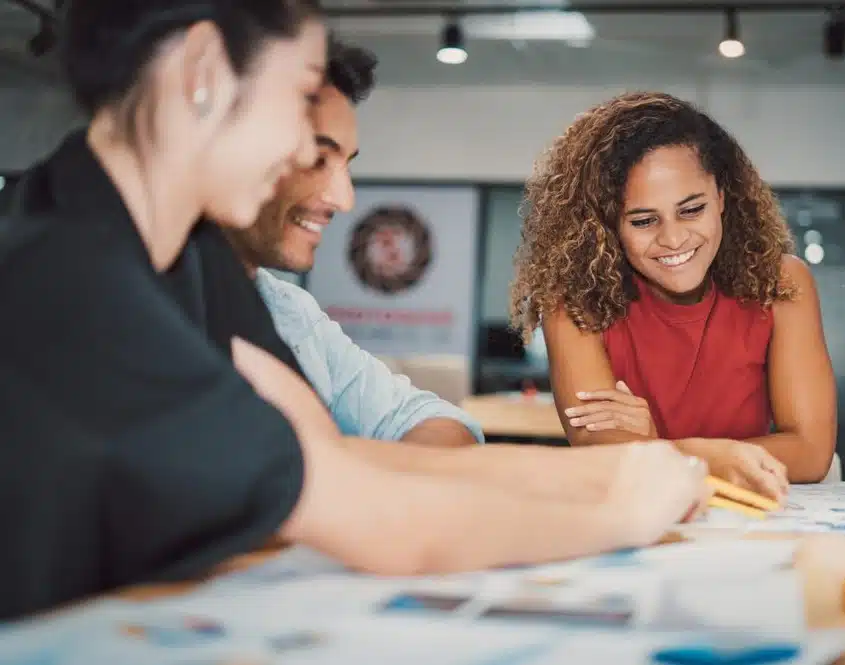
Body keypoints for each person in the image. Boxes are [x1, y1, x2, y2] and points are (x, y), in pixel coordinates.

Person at [0, 3, 709, 620]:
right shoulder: (67, 274)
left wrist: (617, 473)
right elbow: (373, 518)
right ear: (203, 72)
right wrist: (622, 512)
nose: (319, 172)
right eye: (300, 98)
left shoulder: (191, 253)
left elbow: (335, 457)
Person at [509, 92, 838, 498]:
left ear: (721, 196)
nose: (674, 238)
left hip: (751, 513)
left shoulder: (782, 283)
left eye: (691, 209)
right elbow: (601, 455)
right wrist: (714, 459)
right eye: (644, 220)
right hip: (639, 520)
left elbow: (810, 451)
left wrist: (658, 446)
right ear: (607, 225)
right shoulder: (573, 301)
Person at [222, 40, 482, 447]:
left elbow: (434, 419)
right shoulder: (140, 305)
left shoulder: (291, 312)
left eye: (347, 164)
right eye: (316, 159)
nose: (345, 199)